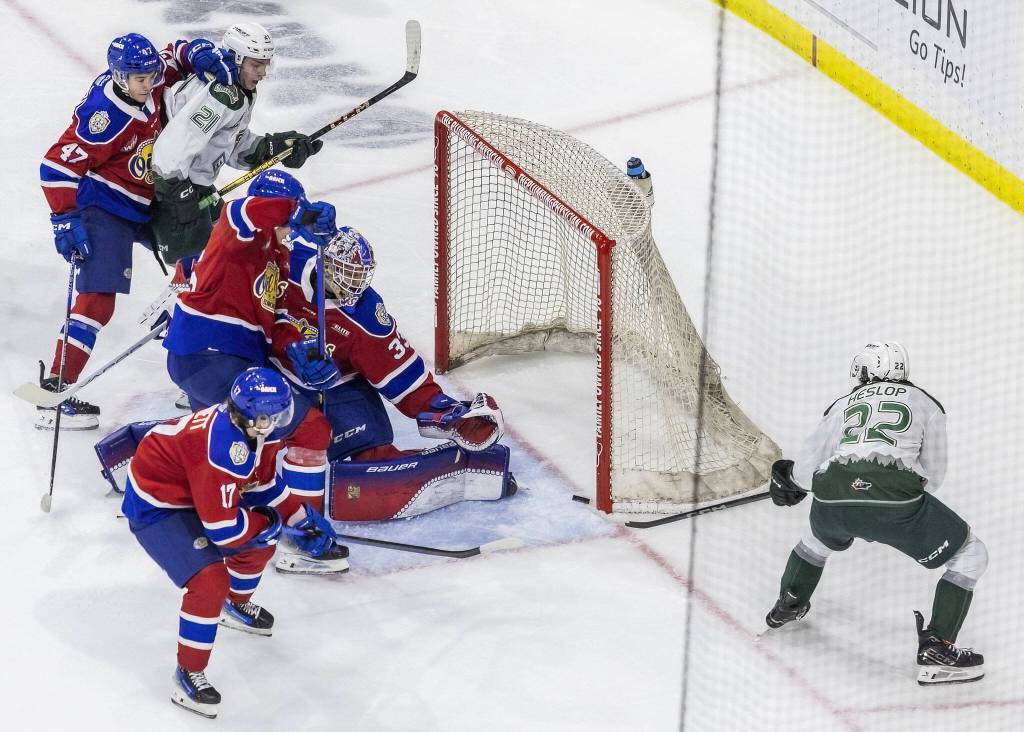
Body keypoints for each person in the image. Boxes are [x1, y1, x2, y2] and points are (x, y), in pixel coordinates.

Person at [37, 31, 238, 430]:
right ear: (118, 76)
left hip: (151, 200)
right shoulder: (102, 118)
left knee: (207, 257)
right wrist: (65, 219)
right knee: (98, 300)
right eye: (141, 79)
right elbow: (55, 168)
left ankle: (196, 376)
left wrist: (197, 52)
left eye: (152, 76)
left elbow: (175, 55)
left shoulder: (146, 73)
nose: (151, 83)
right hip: (106, 206)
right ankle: (53, 393)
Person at [765, 342, 987, 685]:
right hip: (896, 500)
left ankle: (790, 601)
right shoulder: (927, 403)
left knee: (817, 535)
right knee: (971, 553)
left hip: (833, 495)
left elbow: (808, 472)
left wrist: (789, 479)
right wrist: (884, 496)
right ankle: (937, 648)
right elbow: (934, 476)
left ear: (863, 373)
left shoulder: (842, 404)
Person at [161, 169, 347, 574]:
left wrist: (296, 349)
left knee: (238, 450)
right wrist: (296, 211)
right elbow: (242, 211)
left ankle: (179, 497)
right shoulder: (238, 232)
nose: (289, 227)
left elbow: (271, 322)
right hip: (211, 355)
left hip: (216, 360)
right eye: (286, 217)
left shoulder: (275, 256)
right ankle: (301, 535)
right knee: (308, 429)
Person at [122, 367, 336, 718]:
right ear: (255, 416)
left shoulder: (258, 429)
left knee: (260, 545)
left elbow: (262, 483)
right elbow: (223, 529)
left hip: (193, 490)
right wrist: (270, 522)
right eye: (277, 415)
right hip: (157, 505)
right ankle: (187, 673)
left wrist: (301, 518)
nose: (284, 421)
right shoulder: (223, 447)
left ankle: (233, 605)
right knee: (209, 581)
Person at [271, 226, 517, 521]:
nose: (355, 284)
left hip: (336, 388)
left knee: (373, 455)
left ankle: (452, 471)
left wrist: (441, 409)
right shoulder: (286, 264)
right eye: (347, 273)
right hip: (270, 378)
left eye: (360, 275)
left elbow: (399, 368)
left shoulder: (365, 314)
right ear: (325, 263)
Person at [150, 21, 323, 265]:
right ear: (237, 59)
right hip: (170, 190)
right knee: (198, 277)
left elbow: (229, 146)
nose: (262, 72)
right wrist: (178, 198)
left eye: (265, 64)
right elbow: (170, 150)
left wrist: (273, 148)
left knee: (234, 255)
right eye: (256, 64)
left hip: (191, 187)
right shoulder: (220, 94)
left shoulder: (238, 91)